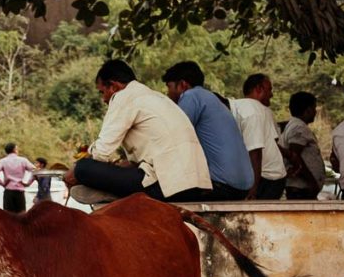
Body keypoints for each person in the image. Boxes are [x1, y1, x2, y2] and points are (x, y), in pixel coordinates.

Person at [64, 59, 212, 202]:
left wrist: (76, 170)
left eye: (102, 92)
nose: (103, 99)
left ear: (113, 87)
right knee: (115, 169)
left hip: (166, 187)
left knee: (84, 167)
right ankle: (115, 192)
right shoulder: (157, 97)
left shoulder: (124, 96)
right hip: (195, 186)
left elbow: (101, 153)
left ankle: (113, 194)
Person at [162, 61, 254, 200]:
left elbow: (174, 138)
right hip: (243, 186)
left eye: (169, 87)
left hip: (221, 185)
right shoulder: (211, 98)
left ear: (182, 84)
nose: (168, 94)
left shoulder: (191, 96)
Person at [231, 74, 288, 199]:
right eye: (269, 90)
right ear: (258, 89)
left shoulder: (261, 110)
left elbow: (260, 148)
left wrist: (253, 187)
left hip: (266, 178)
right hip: (265, 177)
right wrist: (254, 186)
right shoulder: (252, 111)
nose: (271, 94)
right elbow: (256, 151)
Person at [279, 92, 324, 200]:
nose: (315, 112)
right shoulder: (299, 127)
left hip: (301, 188)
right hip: (301, 189)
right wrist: (312, 182)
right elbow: (295, 156)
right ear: (308, 110)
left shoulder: (293, 125)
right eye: (314, 108)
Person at [0, 142, 36, 213]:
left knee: (8, 216)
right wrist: (28, 183)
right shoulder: (23, 160)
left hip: (8, 191)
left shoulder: (3, 161)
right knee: (21, 216)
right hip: (19, 191)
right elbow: (35, 171)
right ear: (14, 150)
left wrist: (2, 183)